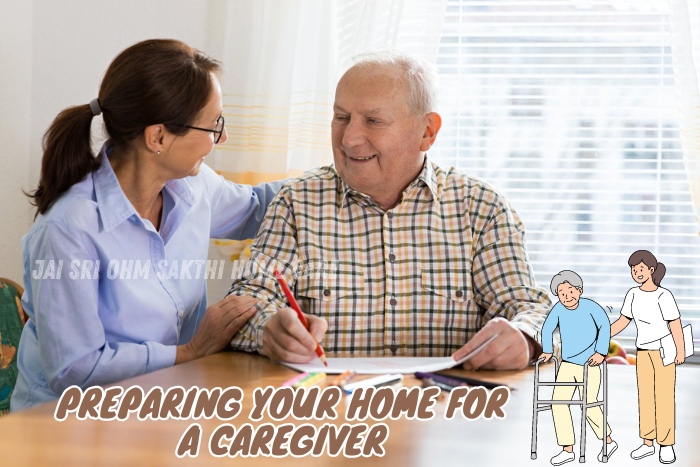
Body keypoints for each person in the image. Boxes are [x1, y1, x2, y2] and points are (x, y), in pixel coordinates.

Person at [228, 50, 551, 370]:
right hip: (329, 408)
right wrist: (267, 330)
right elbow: (245, 305)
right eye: (341, 117)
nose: (350, 139)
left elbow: (528, 307)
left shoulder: (481, 208)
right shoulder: (296, 202)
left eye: (373, 121)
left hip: (444, 409)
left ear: (427, 132)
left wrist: (525, 337)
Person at [11, 39, 283, 411]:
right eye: (212, 125)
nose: (221, 137)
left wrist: (340, 172)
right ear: (158, 137)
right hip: (65, 425)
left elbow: (259, 207)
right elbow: (76, 369)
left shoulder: (192, 186)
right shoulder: (69, 228)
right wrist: (190, 351)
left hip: (159, 408)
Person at [611, 250, 685, 464]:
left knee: (663, 398)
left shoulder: (664, 295)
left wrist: (680, 350)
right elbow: (623, 321)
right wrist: (602, 333)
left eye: (641, 269)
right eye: (634, 270)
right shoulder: (633, 294)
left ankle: (667, 445)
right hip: (642, 352)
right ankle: (647, 442)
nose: (637, 273)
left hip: (664, 352)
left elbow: (675, 324)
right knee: (645, 398)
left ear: (651, 270)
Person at [539, 270, 616, 465]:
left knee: (589, 404)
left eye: (570, 291)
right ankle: (567, 449)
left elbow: (605, 327)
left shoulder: (591, 308)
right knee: (558, 402)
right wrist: (547, 350)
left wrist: (600, 352)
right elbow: (547, 328)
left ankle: (607, 441)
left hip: (591, 364)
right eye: (562, 293)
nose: (567, 297)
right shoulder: (558, 309)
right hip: (567, 364)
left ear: (579, 290)